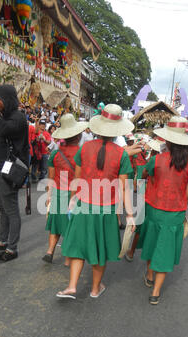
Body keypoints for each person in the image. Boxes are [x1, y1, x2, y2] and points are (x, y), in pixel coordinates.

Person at [57, 104, 135, 300]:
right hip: (105, 210)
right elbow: (123, 188)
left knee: (77, 247)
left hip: (83, 205)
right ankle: (95, 288)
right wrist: (130, 215)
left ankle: (72, 286)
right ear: (117, 130)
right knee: (100, 250)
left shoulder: (84, 148)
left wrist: (73, 199)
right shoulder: (121, 154)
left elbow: (77, 178)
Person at [138, 116, 188, 305]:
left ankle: (149, 275)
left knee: (152, 242)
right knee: (165, 249)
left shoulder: (157, 160)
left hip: (155, 209)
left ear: (168, 140)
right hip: (175, 213)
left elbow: (144, 174)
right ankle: (155, 292)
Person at [0, 85, 29, 263]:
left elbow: (3, 130)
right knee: (2, 209)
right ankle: (2, 241)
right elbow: (2, 134)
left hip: (9, 170)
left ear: (7, 99)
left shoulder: (18, 117)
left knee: (11, 210)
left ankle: (12, 248)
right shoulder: (6, 116)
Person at [43, 114, 87, 265]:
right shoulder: (83, 153)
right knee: (71, 226)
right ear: (78, 134)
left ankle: (50, 251)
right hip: (76, 194)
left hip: (57, 193)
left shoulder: (55, 153)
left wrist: (48, 196)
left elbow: (51, 177)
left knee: (55, 225)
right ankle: (68, 258)